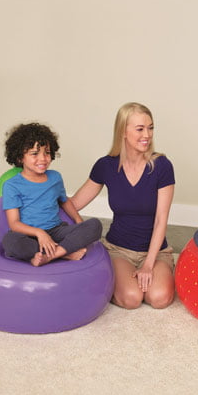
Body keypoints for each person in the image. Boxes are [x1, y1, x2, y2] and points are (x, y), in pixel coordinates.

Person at [71, 102, 175, 309]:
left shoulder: (162, 166)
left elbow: (161, 219)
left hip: (156, 252)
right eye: (140, 129)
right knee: (132, 299)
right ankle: (111, 276)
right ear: (123, 132)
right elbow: (73, 204)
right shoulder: (106, 165)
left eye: (150, 128)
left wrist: (148, 265)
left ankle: (146, 272)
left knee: (159, 298)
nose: (147, 135)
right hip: (119, 249)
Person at [1, 123, 102, 267]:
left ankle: (51, 255)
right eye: (34, 153)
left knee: (95, 225)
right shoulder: (12, 185)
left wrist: (79, 221)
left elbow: (64, 201)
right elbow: (14, 223)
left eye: (47, 153)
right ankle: (65, 253)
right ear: (20, 157)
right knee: (10, 242)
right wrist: (40, 233)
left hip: (56, 231)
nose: (43, 158)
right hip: (30, 235)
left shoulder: (55, 177)